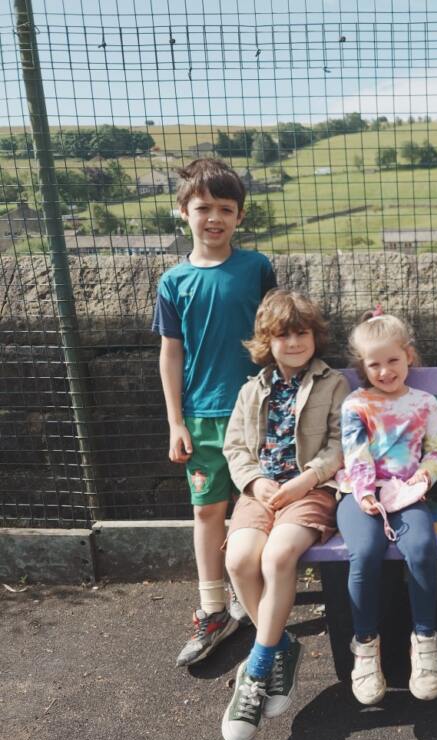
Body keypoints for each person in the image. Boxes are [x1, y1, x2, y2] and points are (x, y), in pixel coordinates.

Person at [152, 158, 277, 666]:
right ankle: (213, 609)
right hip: (201, 417)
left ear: (240, 216)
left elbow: (277, 335)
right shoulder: (173, 281)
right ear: (184, 212)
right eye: (204, 208)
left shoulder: (256, 268)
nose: (215, 218)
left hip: (258, 413)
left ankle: (260, 597)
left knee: (262, 507)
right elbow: (171, 352)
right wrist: (175, 421)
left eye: (226, 209)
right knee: (207, 511)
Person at [219, 289, 349, 740]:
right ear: (266, 341)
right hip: (261, 491)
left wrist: (307, 479)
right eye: (283, 335)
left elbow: (341, 443)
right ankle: (282, 646)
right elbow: (235, 447)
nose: (294, 343)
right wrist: (254, 483)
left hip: (310, 491)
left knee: (277, 558)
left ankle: (256, 671)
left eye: (302, 333)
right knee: (239, 560)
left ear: (315, 337)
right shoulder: (250, 390)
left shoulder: (333, 383)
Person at [336, 309, 437, 705]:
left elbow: (436, 450)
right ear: (362, 367)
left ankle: (425, 641)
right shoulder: (356, 404)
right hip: (360, 495)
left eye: (393, 360)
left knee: (421, 547)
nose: (385, 371)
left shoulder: (425, 403)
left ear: (408, 356)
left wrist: (424, 479)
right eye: (375, 365)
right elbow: (355, 454)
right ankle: (365, 647)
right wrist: (365, 493)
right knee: (365, 551)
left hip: (408, 493)